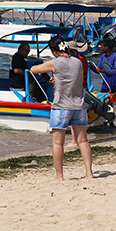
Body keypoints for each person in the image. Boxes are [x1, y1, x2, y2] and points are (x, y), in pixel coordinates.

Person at [29, 36, 94, 181]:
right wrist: (56, 77)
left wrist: (50, 72)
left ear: (54, 51)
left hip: (61, 107)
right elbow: (73, 80)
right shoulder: (78, 62)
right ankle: (89, 173)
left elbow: (33, 69)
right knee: (83, 141)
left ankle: (59, 176)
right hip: (79, 105)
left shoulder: (55, 62)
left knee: (58, 143)